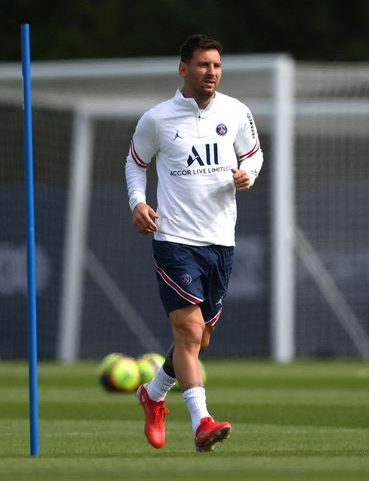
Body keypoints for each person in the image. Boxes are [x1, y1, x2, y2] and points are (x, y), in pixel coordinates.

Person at [125, 34, 264, 452]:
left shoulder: (236, 112)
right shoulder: (157, 119)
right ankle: (202, 423)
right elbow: (135, 164)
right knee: (187, 332)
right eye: (204, 65)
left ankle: (152, 393)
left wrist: (248, 174)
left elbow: (254, 154)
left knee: (200, 340)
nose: (212, 73)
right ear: (184, 69)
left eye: (217, 66)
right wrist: (138, 202)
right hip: (174, 239)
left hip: (221, 241)